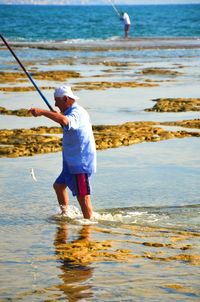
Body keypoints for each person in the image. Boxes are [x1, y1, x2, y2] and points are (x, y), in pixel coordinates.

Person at [29, 85, 96, 220]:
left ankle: (88, 227)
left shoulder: (77, 112)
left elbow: (66, 121)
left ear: (65, 99)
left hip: (79, 162)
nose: (55, 104)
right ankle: (65, 215)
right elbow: (64, 119)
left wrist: (42, 112)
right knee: (59, 186)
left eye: (56, 100)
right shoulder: (70, 112)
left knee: (83, 197)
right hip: (70, 162)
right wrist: (55, 114)